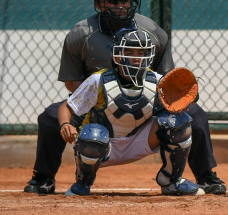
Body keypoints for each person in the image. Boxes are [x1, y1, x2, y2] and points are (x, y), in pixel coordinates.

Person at [23, 0, 226, 195]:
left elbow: (166, 80)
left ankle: (205, 177)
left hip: (147, 98)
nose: (121, 6)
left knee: (194, 116)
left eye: (126, 1)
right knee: (51, 117)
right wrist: (104, 95)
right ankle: (43, 179)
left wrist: (141, 98)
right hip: (97, 100)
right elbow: (72, 81)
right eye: (114, 1)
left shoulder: (152, 32)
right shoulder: (81, 33)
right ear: (99, 3)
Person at [59, 28, 203, 196]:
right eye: (129, 51)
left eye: (141, 52)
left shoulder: (157, 81)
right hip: (103, 145)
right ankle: (83, 182)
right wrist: (65, 124)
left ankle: (171, 180)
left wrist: (186, 98)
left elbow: (174, 110)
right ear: (117, 55)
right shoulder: (99, 80)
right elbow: (67, 107)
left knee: (178, 122)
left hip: (139, 142)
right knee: (93, 134)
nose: (136, 57)